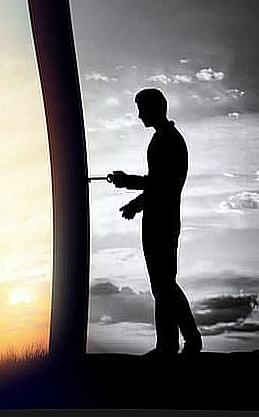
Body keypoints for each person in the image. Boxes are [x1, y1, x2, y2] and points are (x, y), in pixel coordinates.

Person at [110, 88, 202, 356]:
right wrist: (136, 205)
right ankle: (168, 344)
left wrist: (128, 183)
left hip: (164, 222)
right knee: (160, 285)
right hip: (154, 220)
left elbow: (164, 185)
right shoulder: (159, 141)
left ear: (155, 108)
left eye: (141, 108)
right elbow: (157, 187)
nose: (138, 115)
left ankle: (189, 339)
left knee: (165, 284)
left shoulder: (171, 141)